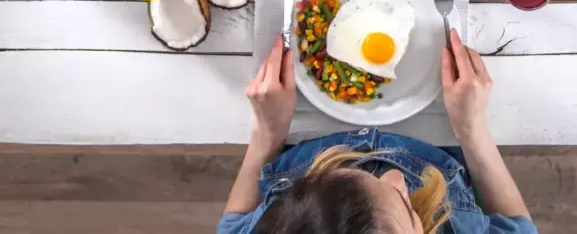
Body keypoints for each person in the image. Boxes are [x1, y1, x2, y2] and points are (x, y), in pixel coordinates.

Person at [218, 30, 536, 234]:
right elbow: (517, 227)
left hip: (301, 133)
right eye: (408, 209)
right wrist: (473, 130)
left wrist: (267, 134)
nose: (396, 179)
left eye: (333, 171)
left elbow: (232, 225)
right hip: (441, 138)